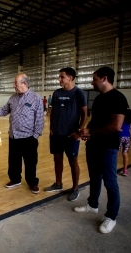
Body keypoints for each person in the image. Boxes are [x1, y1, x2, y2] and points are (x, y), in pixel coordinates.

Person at [75, 66, 128, 234]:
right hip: (94, 145)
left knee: (110, 182)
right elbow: (94, 121)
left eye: (94, 79)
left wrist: (92, 132)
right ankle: (92, 205)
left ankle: (111, 216)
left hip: (108, 147)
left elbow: (116, 126)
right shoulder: (98, 99)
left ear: (104, 78)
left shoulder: (118, 98)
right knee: (94, 177)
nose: (92, 82)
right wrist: (86, 132)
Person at [0, 73, 44, 194]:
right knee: (13, 161)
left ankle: (32, 182)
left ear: (24, 84)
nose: (14, 86)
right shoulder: (13, 98)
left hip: (29, 138)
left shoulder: (35, 98)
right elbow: (4, 110)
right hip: (14, 136)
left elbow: (39, 119)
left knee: (31, 162)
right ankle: (15, 179)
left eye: (16, 83)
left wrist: (35, 136)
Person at [45, 67, 87, 202]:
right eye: (59, 77)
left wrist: (79, 131)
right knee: (57, 159)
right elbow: (53, 113)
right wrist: (51, 128)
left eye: (62, 77)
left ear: (70, 78)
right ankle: (58, 183)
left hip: (71, 135)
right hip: (56, 134)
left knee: (73, 161)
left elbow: (85, 114)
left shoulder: (79, 93)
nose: (59, 79)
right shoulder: (56, 93)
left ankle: (75, 188)